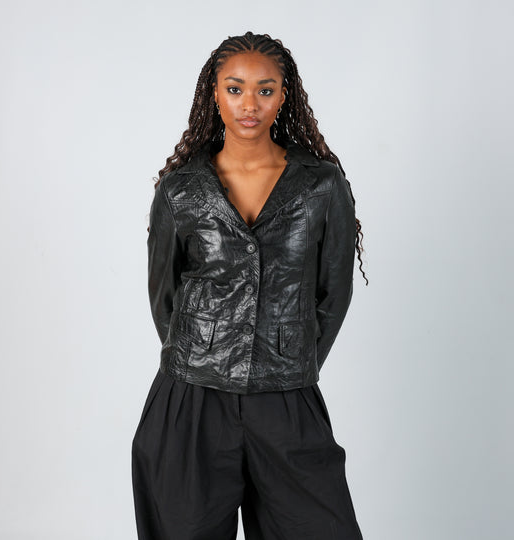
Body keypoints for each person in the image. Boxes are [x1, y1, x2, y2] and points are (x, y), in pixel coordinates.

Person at [132, 31, 368, 540]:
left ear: (284, 96)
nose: (249, 104)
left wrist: (288, 358)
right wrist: (204, 353)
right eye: (235, 88)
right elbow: (164, 297)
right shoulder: (180, 189)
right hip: (190, 401)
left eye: (265, 89)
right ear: (214, 94)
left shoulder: (321, 184)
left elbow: (334, 292)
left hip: (286, 398)